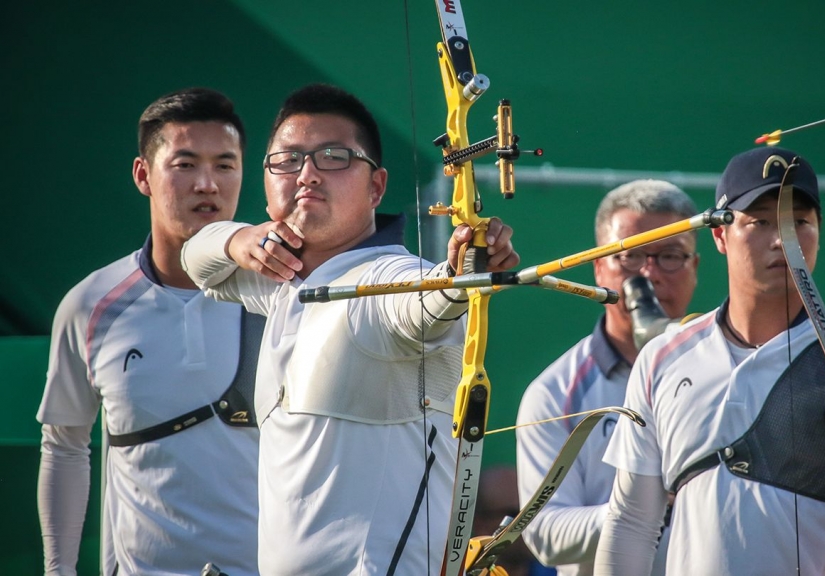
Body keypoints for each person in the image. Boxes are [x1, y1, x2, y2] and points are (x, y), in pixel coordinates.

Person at [180, 83, 520, 576]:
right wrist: (239, 238)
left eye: (334, 157)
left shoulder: (383, 280)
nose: (307, 175)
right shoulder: (280, 281)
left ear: (376, 187)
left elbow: (423, 302)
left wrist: (465, 272)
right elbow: (197, 256)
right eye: (288, 160)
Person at [595, 147, 825, 575]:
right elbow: (631, 524)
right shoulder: (663, 358)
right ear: (719, 235)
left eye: (799, 223)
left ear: (819, 232)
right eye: (760, 222)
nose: (782, 240)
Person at [36, 88, 260, 575]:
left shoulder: (283, 295)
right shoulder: (89, 305)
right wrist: (59, 571)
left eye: (225, 165)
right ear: (143, 175)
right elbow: (65, 446)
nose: (207, 184)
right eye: (184, 164)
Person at [516, 180, 700, 576]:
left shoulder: (725, 367)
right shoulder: (556, 393)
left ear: (695, 267)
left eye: (670, 255)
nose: (649, 274)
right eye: (630, 256)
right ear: (599, 266)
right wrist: (643, 505)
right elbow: (544, 532)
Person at [473, 466, 556, 576]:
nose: (530, 523)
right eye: (516, 515)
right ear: (480, 525)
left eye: (534, 512)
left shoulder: (560, 570)